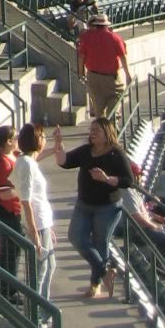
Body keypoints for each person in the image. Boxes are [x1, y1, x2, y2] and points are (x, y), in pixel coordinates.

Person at [51, 118, 133, 298]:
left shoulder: (116, 154)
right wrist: (58, 144)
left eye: (97, 130)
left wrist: (106, 179)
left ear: (107, 133)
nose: (93, 133)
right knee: (75, 237)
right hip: (84, 204)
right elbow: (64, 161)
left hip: (108, 206)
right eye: (92, 129)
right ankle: (105, 271)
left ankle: (95, 285)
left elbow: (128, 180)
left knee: (100, 242)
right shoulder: (86, 151)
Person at [16, 124, 57, 306]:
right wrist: (35, 234)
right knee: (40, 272)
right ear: (36, 140)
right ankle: (36, 315)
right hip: (37, 225)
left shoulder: (28, 161)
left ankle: (43, 311)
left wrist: (55, 148)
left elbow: (36, 158)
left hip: (43, 223)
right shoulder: (25, 164)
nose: (45, 139)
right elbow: (26, 200)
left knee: (49, 266)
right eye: (43, 136)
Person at [0, 126, 24, 301]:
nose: (18, 140)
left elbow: (32, 158)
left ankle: (6, 287)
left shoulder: (13, 156)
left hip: (15, 210)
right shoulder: (1, 163)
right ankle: (7, 290)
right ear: (8, 141)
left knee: (12, 249)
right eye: (15, 137)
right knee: (10, 250)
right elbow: (4, 193)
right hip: (6, 211)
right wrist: (23, 189)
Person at [76, 9, 131, 121]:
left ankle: (104, 132)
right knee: (115, 103)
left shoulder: (87, 38)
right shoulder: (115, 38)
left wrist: (81, 73)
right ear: (106, 24)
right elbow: (123, 57)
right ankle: (112, 126)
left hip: (93, 77)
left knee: (99, 112)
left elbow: (81, 56)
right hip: (111, 79)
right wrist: (128, 75)